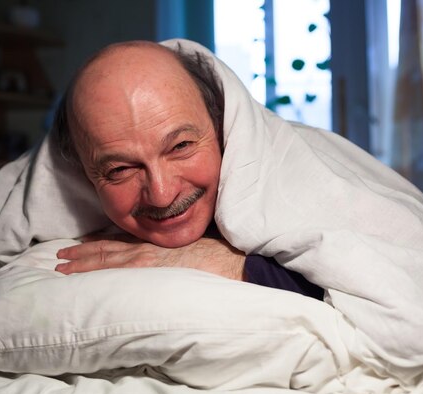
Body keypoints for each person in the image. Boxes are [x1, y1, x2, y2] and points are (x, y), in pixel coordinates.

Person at [51, 41, 323, 300]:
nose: (162, 195)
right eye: (120, 169)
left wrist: (226, 262)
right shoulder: (66, 247)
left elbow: (358, 282)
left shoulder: (301, 181)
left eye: (181, 146)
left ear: (222, 127)